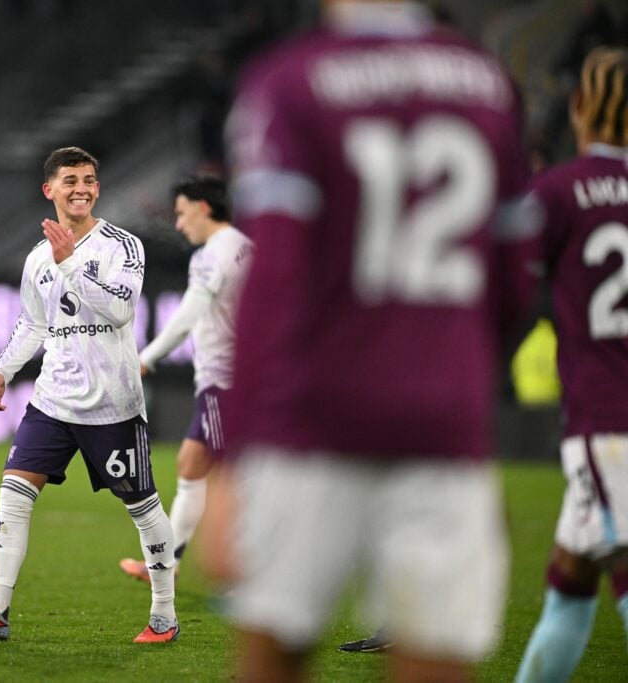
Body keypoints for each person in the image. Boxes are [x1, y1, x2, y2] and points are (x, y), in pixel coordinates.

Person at [204, 1, 538, 681]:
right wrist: (454, 379)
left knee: (273, 656)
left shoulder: (290, 79)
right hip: (442, 427)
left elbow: (274, 281)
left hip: (312, 423)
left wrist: (231, 457)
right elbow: (513, 280)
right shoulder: (486, 81)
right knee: (435, 661)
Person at [0, 146, 179, 643]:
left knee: (142, 506)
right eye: (71, 180)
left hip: (112, 403)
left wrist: (72, 264)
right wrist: (3, 369)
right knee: (14, 492)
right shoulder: (37, 258)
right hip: (53, 399)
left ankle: (164, 613)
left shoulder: (123, 245)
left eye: (89, 180)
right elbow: (33, 323)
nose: (82, 188)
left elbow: (121, 311)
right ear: (49, 189)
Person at [515, 46, 628, 683]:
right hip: (610, 430)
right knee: (570, 584)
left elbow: (507, 285)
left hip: (608, 422)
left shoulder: (559, 191)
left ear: (578, 106)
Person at [119, 175, 252, 583]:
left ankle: (245, 576)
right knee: (191, 464)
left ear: (202, 208)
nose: (178, 224)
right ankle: (167, 564)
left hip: (225, 382)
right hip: (242, 378)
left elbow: (187, 316)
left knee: (231, 481)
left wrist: (147, 357)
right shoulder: (247, 247)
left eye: (181, 213)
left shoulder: (211, 255)